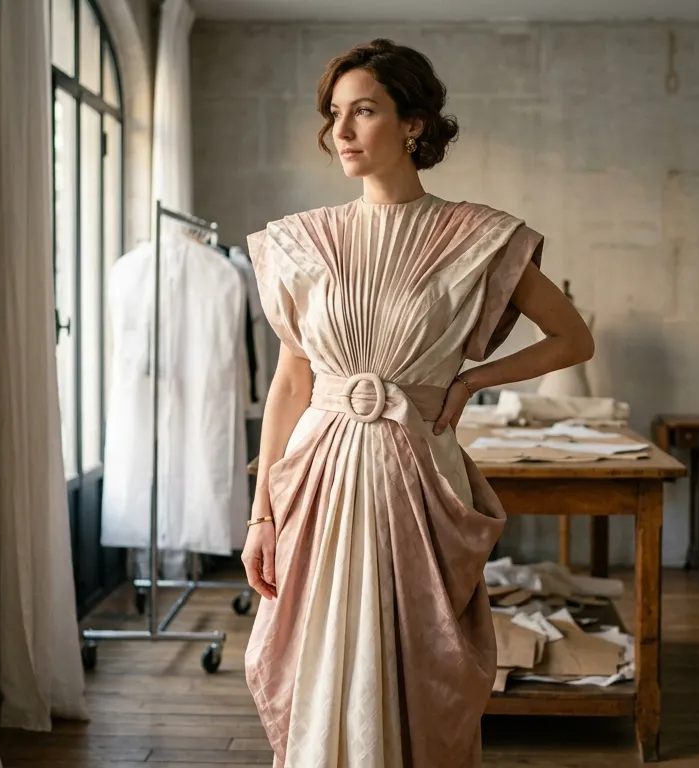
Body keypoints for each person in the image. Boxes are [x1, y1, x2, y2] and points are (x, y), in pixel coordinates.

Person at [240, 39, 595, 767]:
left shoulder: (477, 238)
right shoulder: (303, 242)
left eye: (363, 111)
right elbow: (290, 384)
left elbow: (572, 338)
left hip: (415, 480)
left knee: (415, 666)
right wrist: (261, 515)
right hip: (319, 480)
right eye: (334, 114)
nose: (340, 132)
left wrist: (470, 380)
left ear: (414, 125)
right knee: (319, 664)